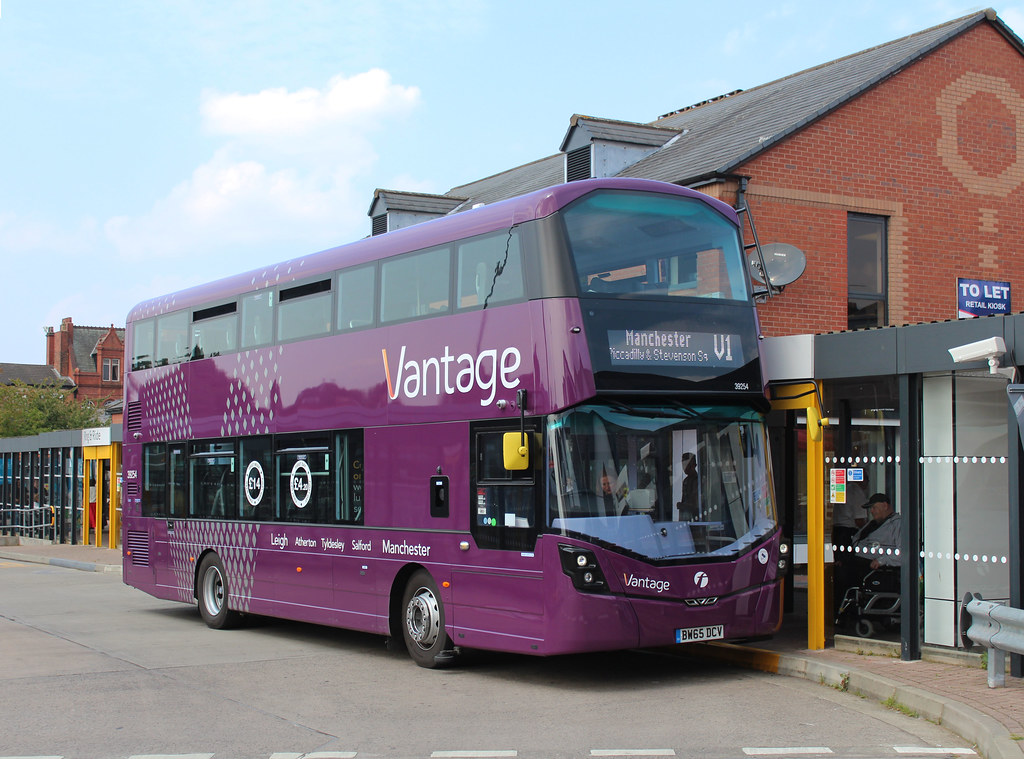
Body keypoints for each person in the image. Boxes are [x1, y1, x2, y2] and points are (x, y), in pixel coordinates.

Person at [836, 492, 902, 596]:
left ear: (885, 505)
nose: (871, 511)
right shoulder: (872, 524)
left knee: (843, 575)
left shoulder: (898, 524)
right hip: (858, 560)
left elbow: (902, 553)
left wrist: (881, 561)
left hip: (874, 567)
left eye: (874, 507)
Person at [676, 452, 698, 521]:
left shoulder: (698, 480)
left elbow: (695, 503)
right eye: (683, 464)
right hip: (686, 517)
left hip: (695, 517)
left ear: (694, 465)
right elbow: (684, 499)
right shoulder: (685, 481)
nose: (684, 467)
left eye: (687, 464)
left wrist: (683, 506)